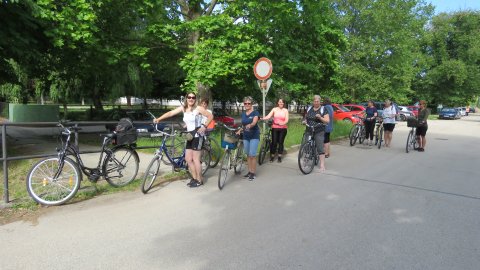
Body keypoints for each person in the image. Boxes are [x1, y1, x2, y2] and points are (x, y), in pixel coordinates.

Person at [154, 92, 213, 188]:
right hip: (189, 136)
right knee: (188, 159)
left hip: (197, 136)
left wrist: (204, 126)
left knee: (196, 159)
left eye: (193, 97)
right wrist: (159, 119)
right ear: (186, 98)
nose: (191, 99)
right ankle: (194, 178)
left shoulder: (198, 108)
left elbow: (210, 116)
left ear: (195, 99)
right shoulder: (184, 108)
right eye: (189, 97)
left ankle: (199, 180)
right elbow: (171, 113)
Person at [304, 95, 330, 172]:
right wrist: (305, 121)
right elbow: (306, 117)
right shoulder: (309, 108)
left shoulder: (323, 109)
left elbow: (327, 121)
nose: (316, 102)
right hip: (309, 129)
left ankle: (322, 165)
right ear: (313, 101)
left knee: (319, 147)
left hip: (319, 130)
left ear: (320, 101)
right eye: (315, 101)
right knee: (306, 145)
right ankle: (306, 160)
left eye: (317, 101)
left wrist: (320, 118)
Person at [261, 98, 289, 162]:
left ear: (283, 103)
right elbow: (268, 116)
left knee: (280, 142)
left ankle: (279, 157)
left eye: (282, 102)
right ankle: (272, 156)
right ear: (278, 103)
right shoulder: (274, 109)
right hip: (275, 128)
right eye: (280, 102)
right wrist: (262, 118)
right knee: (274, 142)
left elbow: (286, 120)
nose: (281, 103)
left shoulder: (285, 110)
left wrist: (282, 123)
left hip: (283, 128)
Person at [240, 96, 260, 180]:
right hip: (246, 136)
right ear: (244, 104)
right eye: (245, 103)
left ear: (251, 104)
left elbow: (254, 122)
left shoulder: (255, 113)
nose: (247, 105)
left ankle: (253, 173)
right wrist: (240, 130)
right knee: (248, 155)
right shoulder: (243, 113)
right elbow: (243, 124)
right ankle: (249, 171)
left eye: (249, 103)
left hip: (254, 135)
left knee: (252, 154)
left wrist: (250, 125)